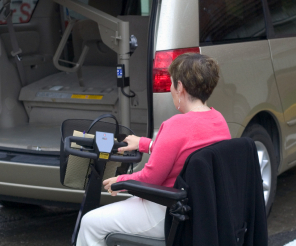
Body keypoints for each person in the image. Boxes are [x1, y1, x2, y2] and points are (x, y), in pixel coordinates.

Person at [76, 53, 231, 246]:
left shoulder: (175, 125)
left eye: (172, 84)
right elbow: (187, 151)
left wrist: (119, 181)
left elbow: (150, 179)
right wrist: (145, 143)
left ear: (180, 87)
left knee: (90, 223)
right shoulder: (219, 120)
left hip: (167, 211)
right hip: (201, 211)